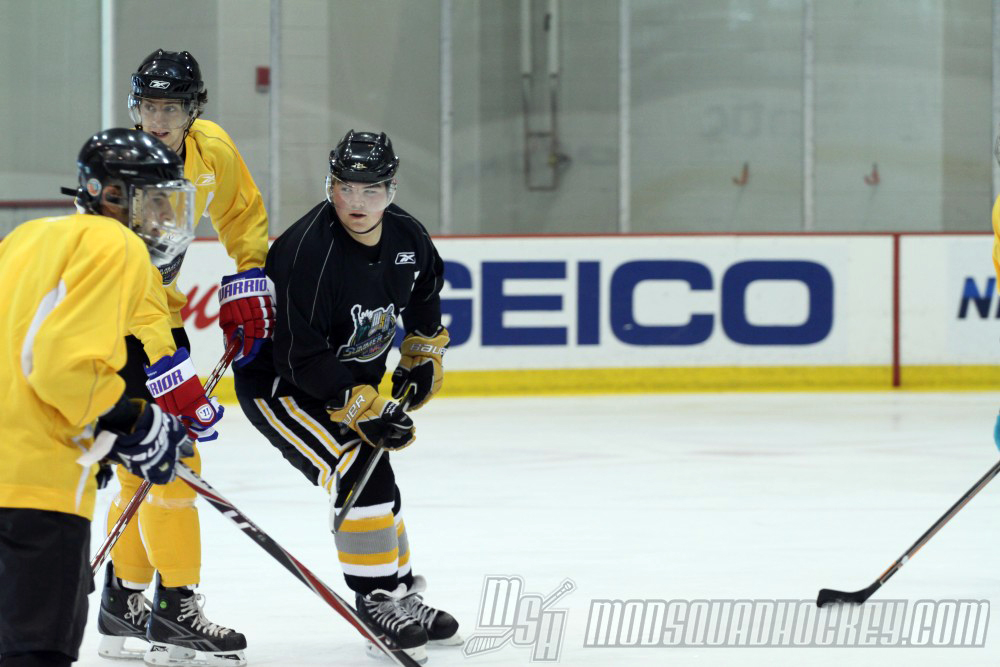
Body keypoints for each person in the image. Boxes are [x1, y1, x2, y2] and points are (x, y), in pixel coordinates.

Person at [233, 130, 460, 662]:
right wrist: (359, 403)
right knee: (359, 470)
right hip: (283, 390)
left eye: (370, 190)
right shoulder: (307, 251)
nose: (356, 201)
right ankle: (376, 602)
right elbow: (297, 356)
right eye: (345, 188)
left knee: (378, 475)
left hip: (344, 383)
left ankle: (398, 592)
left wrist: (422, 351)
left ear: (391, 190)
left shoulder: (407, 236)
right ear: (329, 185)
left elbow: (425, 289)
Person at [97, 49, 271, 666]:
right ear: (135, 108)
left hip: (160, 321)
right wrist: (164, 360)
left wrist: (250, 275)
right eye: (150, 107)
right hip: (116, 325)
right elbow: (126, 277)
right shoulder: (121, 168)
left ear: (193, 110)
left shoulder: (210, 150)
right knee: (172, 460)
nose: (160, 119)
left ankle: (123, 602)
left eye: (171, 108)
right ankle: (175, 610)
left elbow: (241, 213)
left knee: (141, 464)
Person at [0, 129, 196, 667]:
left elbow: (21, 356)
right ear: (111, 196)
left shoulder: (24, 238)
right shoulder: (117, 244)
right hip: (37, 489)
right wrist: (131, 420)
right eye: (155, 201)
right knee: (34, 654)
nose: (165, 216)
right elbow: (60, 364)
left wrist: (103, 438)